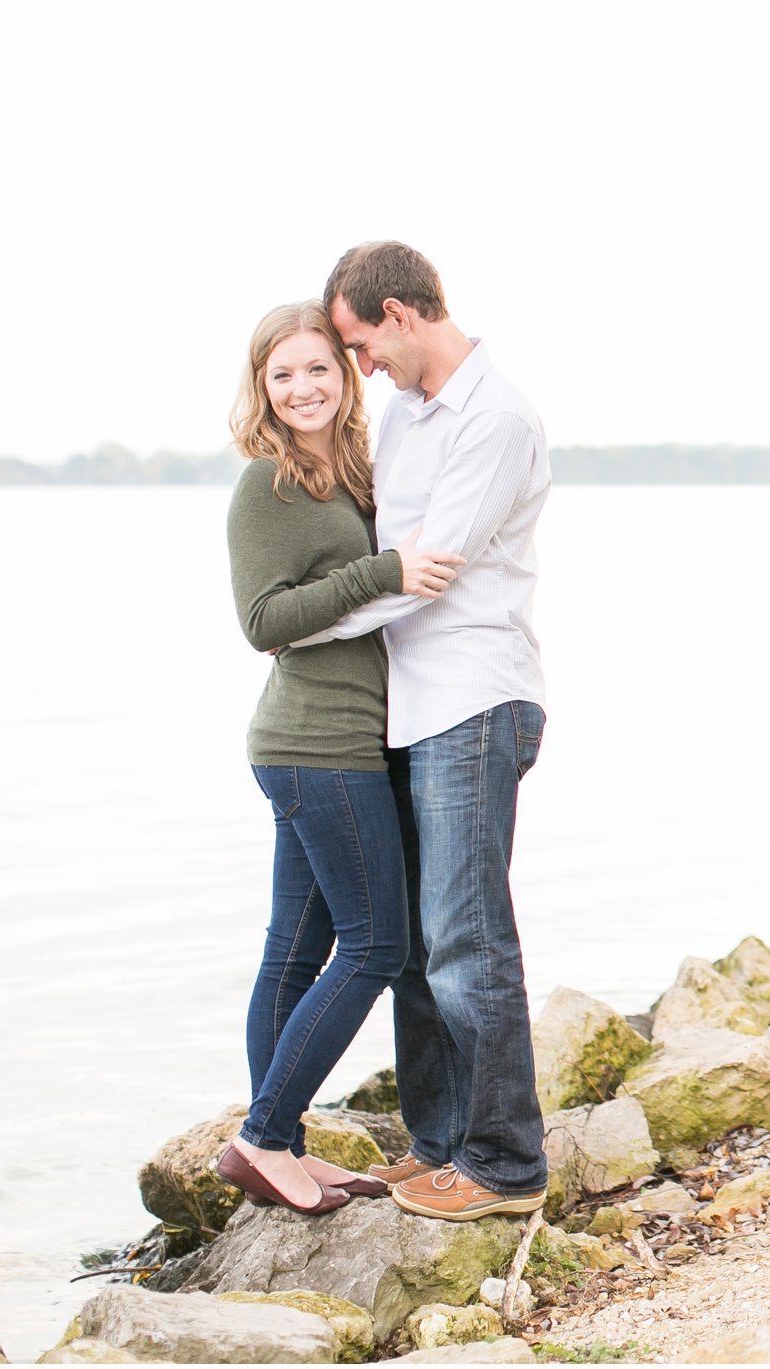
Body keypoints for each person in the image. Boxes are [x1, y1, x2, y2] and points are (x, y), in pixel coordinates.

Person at [294, 242, 554, 1220]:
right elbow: (386, 559)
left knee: (464, 936)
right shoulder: (403, 416)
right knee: (411, 944)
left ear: (400, 314)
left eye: (359, 345)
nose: (360, 368)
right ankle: (440, 1140)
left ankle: (503, 1163)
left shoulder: (495, 419)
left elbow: (423, 571)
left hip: (474, 699)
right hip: (409, 706)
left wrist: (305, 620)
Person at [220, 300, 468, 1215]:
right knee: (375, 945)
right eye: (282, 374)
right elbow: (262, 622)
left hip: (346, 739)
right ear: (263, 388)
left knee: (297, 949)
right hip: (313, 745)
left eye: (318, 368)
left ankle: (277, 1142)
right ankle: (262, 1137)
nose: (302, 388)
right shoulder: (269, 485)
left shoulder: (356, 472)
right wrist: (386, 569)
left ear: (345, 372)